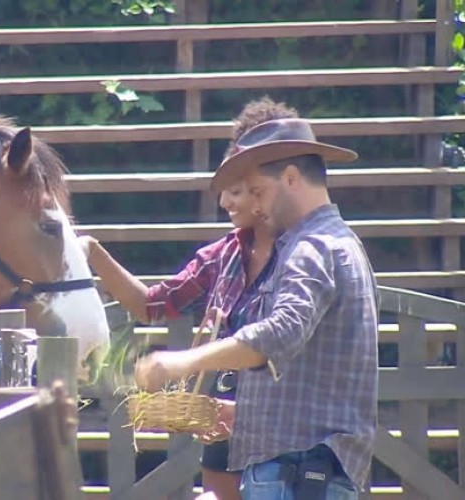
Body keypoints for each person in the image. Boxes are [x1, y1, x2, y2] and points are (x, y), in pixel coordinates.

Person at [134, 115, 379, 500]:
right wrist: (242, 416)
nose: (257, 206)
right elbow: (314, 378)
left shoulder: (311, 247)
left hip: (296, 475)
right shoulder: (340, 243)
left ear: (292, 178)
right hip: (305, 470)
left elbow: (282, 331)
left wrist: (183, 361)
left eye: (258, 191)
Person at [80, 97, 299, 500]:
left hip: (291, 439)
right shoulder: (223, 256)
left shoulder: (307, 256)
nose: (225, 202)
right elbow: (151, 304)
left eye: (236, 190)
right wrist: (93, 253)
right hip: (224, 429)